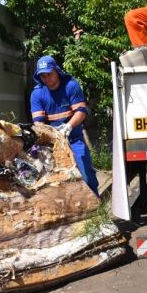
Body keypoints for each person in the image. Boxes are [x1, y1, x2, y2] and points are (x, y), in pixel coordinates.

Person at [30, 55, 99, 196]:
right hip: (51, 143)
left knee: (85, 171)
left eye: (49, 74)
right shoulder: (37, 94)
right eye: (43, 76)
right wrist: (51, 134)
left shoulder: (71, 86)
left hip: (73, 138)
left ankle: (96, 201)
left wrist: (68, 127)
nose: (46, 78)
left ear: (57, 71)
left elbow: (81, 112)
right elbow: (38, 123)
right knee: (51, 179)